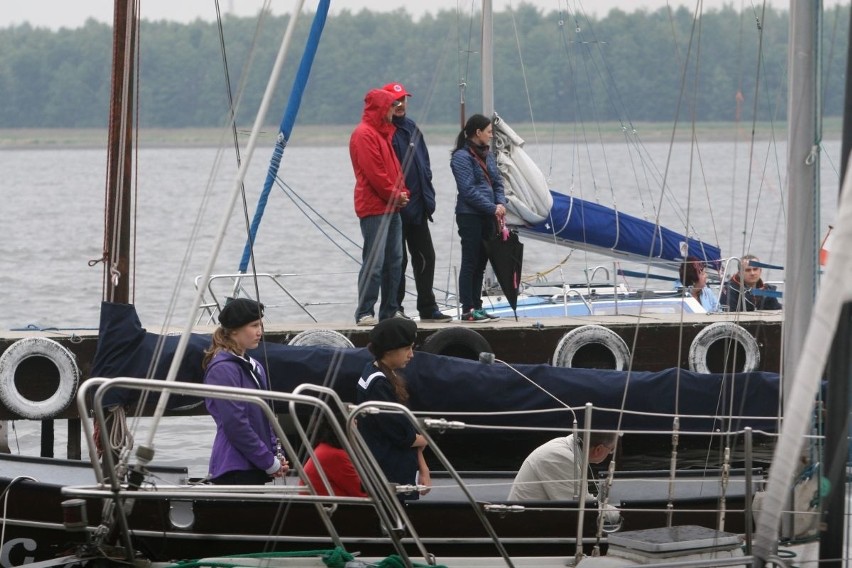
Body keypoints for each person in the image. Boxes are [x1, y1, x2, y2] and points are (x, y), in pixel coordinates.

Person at [383, 82, 452, 323]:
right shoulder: (384, 131)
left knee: (426, 257)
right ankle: (395, 307)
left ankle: (427, 307)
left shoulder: (412, 128)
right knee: (397, 260)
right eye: (395, 100)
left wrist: (428, 194)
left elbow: (424, 163)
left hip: (419, 206)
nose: (400, 104)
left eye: (403, 99)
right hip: (395, 208)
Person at [202, 298, 288, 485]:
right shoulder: (223, 369)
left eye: (261, 325)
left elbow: (265, 417)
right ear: (234, 330)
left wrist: (275, 456)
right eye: (254, 325)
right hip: (235, 466)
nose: (260, 331)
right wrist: (267, 460)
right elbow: (235, 424)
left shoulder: (254, 366)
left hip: (255, 464)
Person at [350, 88, 411, 326]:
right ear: (379, 108)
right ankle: (365, 311)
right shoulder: (364, 134)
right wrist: (396, 195)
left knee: (395, 260)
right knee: (374, 262)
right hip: (374, 207)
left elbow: (394, 169)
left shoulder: (383, 133)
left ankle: (390, 310)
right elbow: (375, 173)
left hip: (392, 206)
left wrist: (402, 192)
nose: (392, 111)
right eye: (388, 106)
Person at [356, 317, 431, 500]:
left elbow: (406, 430)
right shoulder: (379, 386)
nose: (411, 354)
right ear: (389, 351)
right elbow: (401, 434)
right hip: (389, 476)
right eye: (407, 349)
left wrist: (422, 466)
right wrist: (424, 440)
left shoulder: (376, 373)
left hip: (394, 469)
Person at [450, 113, 507, 322]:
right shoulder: (461, 157)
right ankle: (468, 309)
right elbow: (468, 190)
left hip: (489, 216)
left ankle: (478, 305)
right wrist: (492, 207)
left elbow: (498, 183)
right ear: (478, 132)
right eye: (489, 132)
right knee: (470, 262)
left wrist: (500, 204)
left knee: (482, 263)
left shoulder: (487, 155)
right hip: (470, 216)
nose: (491, 136)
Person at [508, 431, 617, 502]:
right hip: (526, 529)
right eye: (611, 450)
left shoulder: (567, 447)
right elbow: (583, 507)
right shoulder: (562, 457)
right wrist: (618, 514)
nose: (610, 453)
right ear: (598, 450)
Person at [300, 412, 367, 497]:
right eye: (352, 418)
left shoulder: (326, 449)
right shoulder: (336, 456)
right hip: (328, 508)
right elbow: (361, 494)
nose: (356, 422)